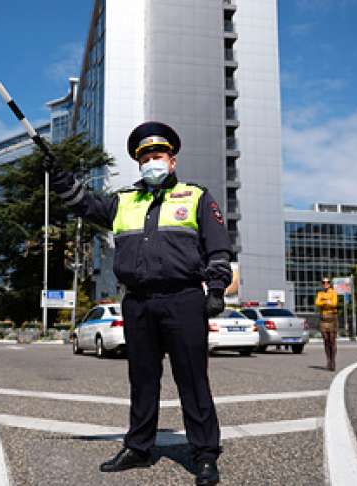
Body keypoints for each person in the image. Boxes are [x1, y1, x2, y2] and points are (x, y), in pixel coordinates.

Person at [48, 121, 232, 486]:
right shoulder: (123, 201)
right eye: (145, 158)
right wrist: (61, 178)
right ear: (138, 163)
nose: (151, 162)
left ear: (172, 160)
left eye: (157, 155)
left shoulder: (195, 196)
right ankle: (139, 447)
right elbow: (84, 204)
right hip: (138, 303)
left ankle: (205, 454)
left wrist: (216, 288)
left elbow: (218, 246)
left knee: (192, 379)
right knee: (142, 379)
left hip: (183, 299)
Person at [315, 277, 338, 371]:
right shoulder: (320, 293)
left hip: (332, 318)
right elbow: (317, 303)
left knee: (332, 340)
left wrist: (324, 302)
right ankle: (328, 360)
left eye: (327, 282)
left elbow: (334, 303)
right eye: (323, 282)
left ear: (329, 283)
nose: (325, 284)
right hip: (323, 319)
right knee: (326, 340)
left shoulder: (333, 292)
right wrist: (327, 301)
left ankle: (333, 360)